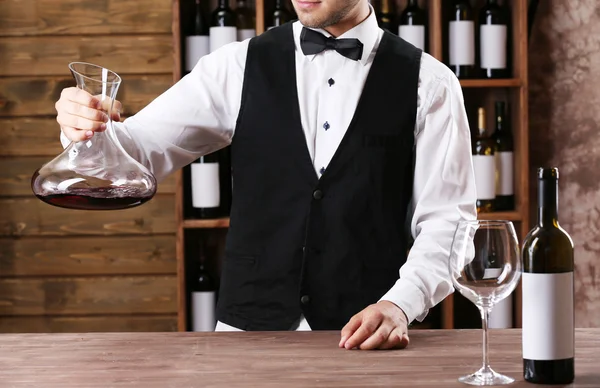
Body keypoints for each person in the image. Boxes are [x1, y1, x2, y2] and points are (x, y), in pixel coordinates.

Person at [54, 0, 477, 350]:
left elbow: (449, 222)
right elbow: (134, 153)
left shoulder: (431, 84)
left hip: (370, 341)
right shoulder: (235, 66)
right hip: (246, 339)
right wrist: (84, 128)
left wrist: (400, 304)